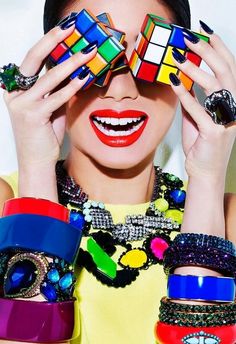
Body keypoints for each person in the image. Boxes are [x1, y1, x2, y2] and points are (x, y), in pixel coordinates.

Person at [0, 0, 235, 343]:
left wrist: (207, 179)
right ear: (54, 67)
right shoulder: (7, 203)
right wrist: (36, 168)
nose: (121, 91)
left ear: (185, 70)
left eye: (147, 62)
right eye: (95, 60)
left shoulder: (226, 217)